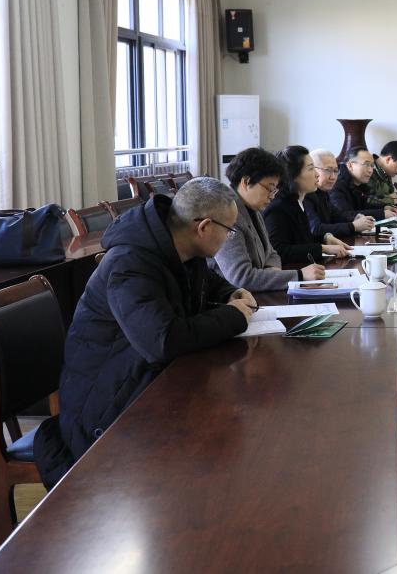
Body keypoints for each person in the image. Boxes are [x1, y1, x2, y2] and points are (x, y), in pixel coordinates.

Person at [32, 178, 258, 487]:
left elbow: (205, 282)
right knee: (223, 450)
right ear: (204, 227)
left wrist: (231, 293)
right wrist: (234, 317)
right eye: (229, 230)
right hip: (106, 410)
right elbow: (162, 341)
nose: (229, 237)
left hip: (143, 385)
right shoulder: (130, 264)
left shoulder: (179, 248)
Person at [211, 147, 325, 290]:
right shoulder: (226, 215)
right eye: (270, 189)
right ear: (246, 182)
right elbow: (241, 277)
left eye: (275, 190)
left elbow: (272, 253)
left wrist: (272, 272)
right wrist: (299, 275)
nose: (272, 196)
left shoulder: (253, 209)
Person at [263, 145, 351, 263]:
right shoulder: (277, 208)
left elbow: (302, 239)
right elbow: (279, 251)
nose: (317, 174)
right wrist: (322, 248)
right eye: (311, 169)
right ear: (293, 175)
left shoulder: (297, 200)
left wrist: (325, 238)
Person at [304, 149, 374, 238]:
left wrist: (355, 218)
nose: (333, 177)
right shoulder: (305, 194)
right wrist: (353, 226)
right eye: (328, 170)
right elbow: (316, 229)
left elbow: (337, 216)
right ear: (312, 170)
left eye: (336, 171)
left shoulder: (323, 192)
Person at [331, 147, 397, 221]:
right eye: (366, 165)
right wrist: (382, 214)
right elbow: (345, 215)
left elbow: (364, 206)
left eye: (372, 166)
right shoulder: (336, 185)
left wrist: (384, 208)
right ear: (350, 165)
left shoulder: (360, 184)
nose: (370, 170)